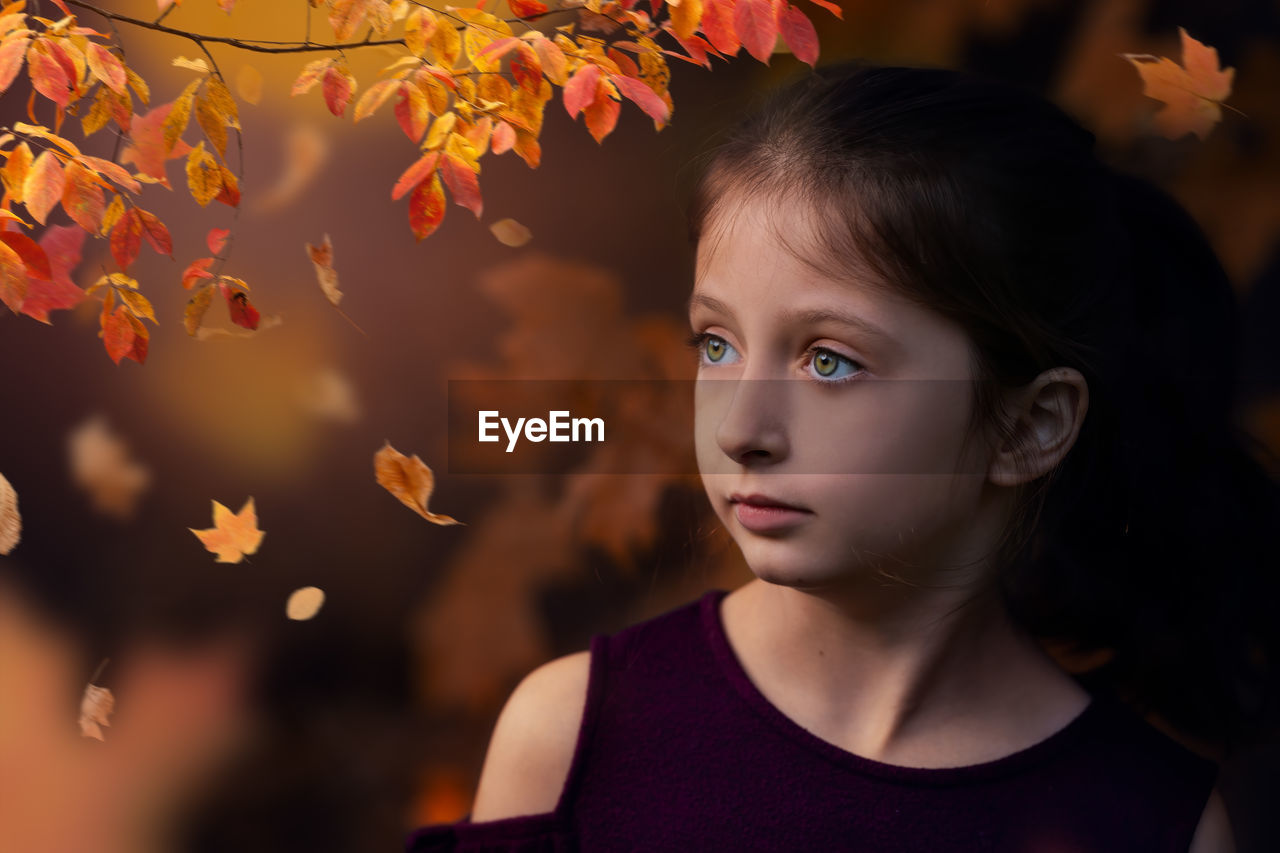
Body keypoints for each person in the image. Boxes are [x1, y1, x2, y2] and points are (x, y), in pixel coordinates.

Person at [405, 60, 1279, 851]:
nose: (742, 428)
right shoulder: (575, 738)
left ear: (1030, 426)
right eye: (716, 344)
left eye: (831, 360)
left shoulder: (1155, 827)